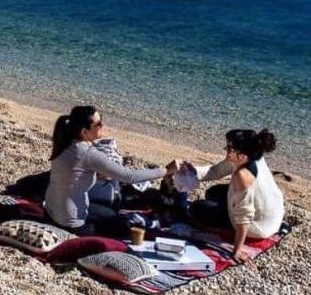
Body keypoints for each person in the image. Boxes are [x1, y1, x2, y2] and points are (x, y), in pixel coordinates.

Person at [44, 106, 171, 238]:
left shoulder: (65, 142)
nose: (102, 125)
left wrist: (97, 176)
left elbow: (73, 175)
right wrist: (166, 170)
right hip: (73, 225)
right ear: (84, 132)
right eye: (98, 124)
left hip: (50, 214)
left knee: (107, 212)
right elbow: (130, 176)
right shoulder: (88, 153)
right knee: (121, 225)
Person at [174, 129, 285, 264]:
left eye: (229, 148)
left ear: (241, 155)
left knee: (198, 208)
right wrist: (193, 171)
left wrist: (237, 250)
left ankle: (225, 220)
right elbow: (216, 171)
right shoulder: (252, 154)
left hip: (259, 225)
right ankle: (225, 209)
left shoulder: (242, 176)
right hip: (274, 209)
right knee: (212, 192)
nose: (226, 149)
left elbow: (244, 217)